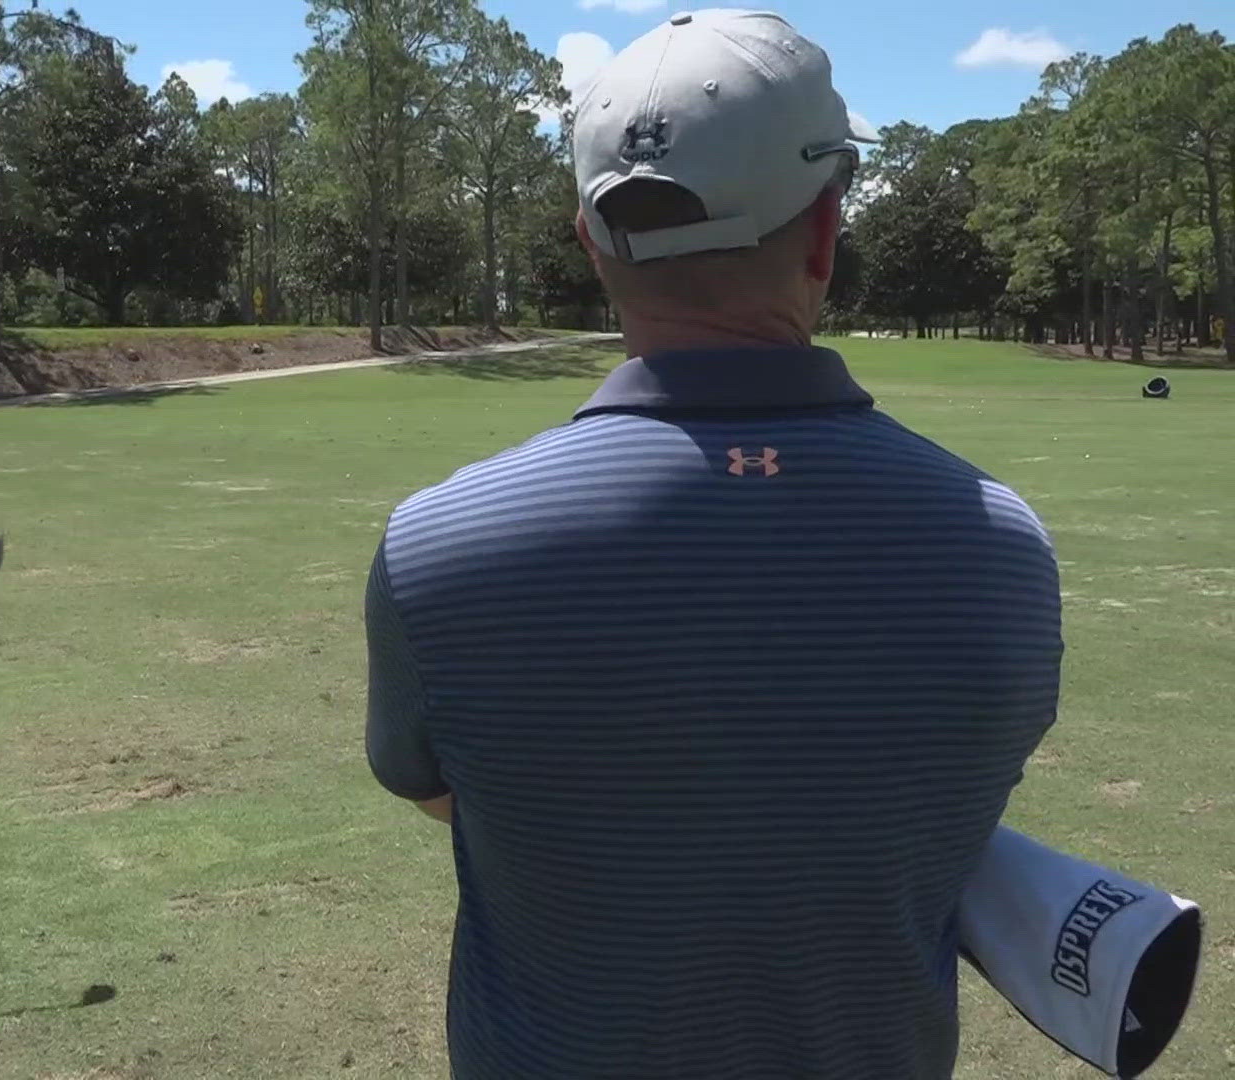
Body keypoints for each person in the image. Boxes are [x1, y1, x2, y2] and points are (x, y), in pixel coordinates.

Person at [363, 10, 1063, 1079]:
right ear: (827, 230)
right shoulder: (1002, 548)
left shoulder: (436, 549)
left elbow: (440, 791)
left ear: (592, 241)